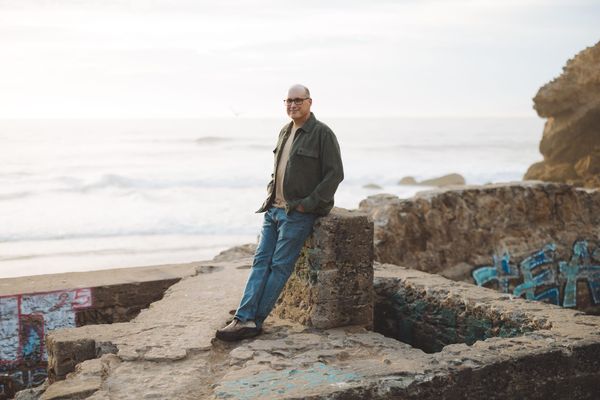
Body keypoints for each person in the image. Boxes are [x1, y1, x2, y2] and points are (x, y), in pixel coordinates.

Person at [216, 84, 344, 341]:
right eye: (288, 101)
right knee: (260, 263)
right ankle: (245, 315)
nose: (293, 105)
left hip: (297, 213)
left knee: (279, 267)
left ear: (310, 102)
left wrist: (308, 203)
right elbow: (279, 169)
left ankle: (252, 320)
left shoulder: (322, 133)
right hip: (273, 210)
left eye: (298, 100)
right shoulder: (285, 131)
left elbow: (335, 174)